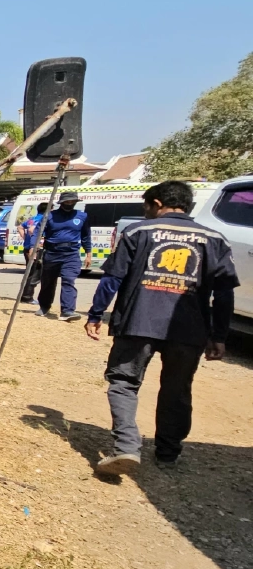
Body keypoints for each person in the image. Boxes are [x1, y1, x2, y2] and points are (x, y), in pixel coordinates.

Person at [84, 180, 239, 476]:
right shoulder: (214, 238)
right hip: (189, 329)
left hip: (137, 323)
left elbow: (111, 279)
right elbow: (224, 293)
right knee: (177, 388)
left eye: (145, 206)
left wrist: (95, 314)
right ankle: (168, 452)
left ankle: (127, 447)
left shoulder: (137, 232)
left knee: (123, 383)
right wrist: (218, 335)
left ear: (156, 204)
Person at [35, 191, 92, 321]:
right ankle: (44, 306)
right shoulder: (50, 216)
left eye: (72, 202)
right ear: (61, 203)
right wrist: (34, 247)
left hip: (71, 254)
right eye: (67, 202)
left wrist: (88, 254)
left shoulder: (82, 216)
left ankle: (67, 311)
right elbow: (38, 232)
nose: (70, 204)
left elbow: (86, 236)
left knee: (69, 280)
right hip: (52, 253)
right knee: (48, 282)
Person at [19, 203, 48, 304]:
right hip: (36, 249)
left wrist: (25, 238)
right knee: (35, 273)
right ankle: (27, 296)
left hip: (28, 248)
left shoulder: (32, 219)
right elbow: (32, 230)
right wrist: (35, 241)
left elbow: (20, 227)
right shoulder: (43, 219)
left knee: (30, 272)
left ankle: (25, 295)